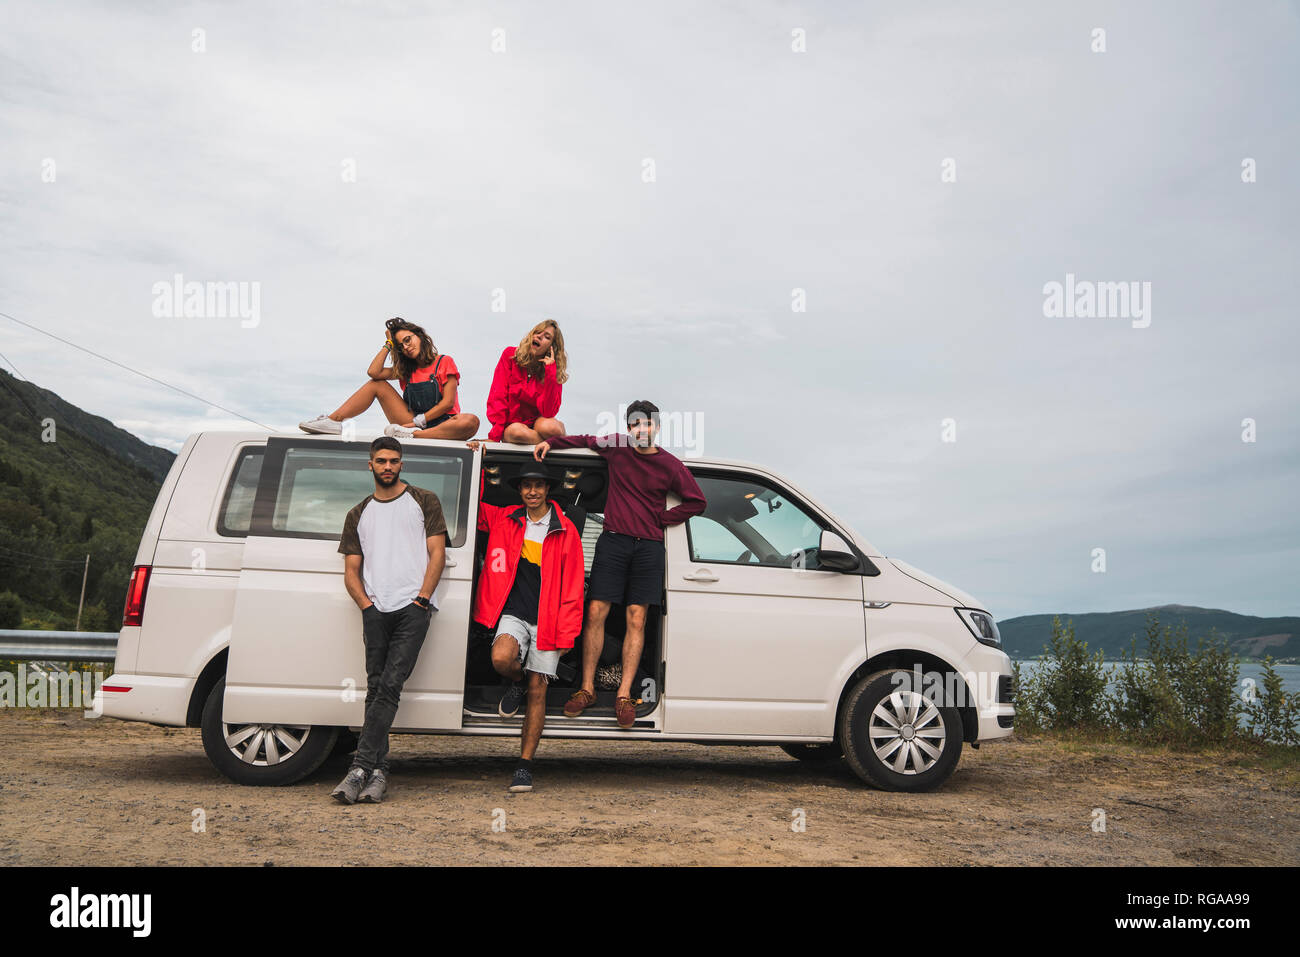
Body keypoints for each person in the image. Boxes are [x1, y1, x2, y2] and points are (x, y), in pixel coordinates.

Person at [535, 400, 706, 728]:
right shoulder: (616, 447)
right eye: (635, 424)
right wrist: (551, 443)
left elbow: (697, 501)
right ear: (628, 429)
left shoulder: (670, 465)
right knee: (596, 612)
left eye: (647, 424)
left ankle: (624, 694)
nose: (641, 430)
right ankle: (586, 689)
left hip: (649, 548)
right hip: (613, 541)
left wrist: (664, 518)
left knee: (636, 619)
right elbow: (583, 440)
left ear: (656, 427)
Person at [331, 436, 448, 804]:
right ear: (370, 465)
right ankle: (378, 772)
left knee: (391, 685)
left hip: (413, 609)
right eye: (380, 460)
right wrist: (366, 606)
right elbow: (351, 571)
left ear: (401, 464)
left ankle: (359, 768)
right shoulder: (357, 513)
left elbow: (437, 554)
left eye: (393, 461)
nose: (387, 466)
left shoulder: (424, 500)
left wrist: (421, 600)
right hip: (375, 610)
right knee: (376, 686)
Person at [468, 449, 585, 792]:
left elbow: (574, 587)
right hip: (513, 613)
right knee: (501, 657)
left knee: (539, 691)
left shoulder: (565, 530)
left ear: (548, 489)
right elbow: (468, 502)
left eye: (538, 486)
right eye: (527, 486)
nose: (532, 491)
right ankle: (515, 679)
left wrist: (567, 633)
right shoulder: (505, 518)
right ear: (519, 490)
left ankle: (524, 766)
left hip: (549, 620)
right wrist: (473, 459)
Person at [300, 318, 480, 440]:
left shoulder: (444, 361)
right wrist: (389, 344)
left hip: (441, 425)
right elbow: (374, 372)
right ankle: (334, 421)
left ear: (420, 336)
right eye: (401, 345)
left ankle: (415, 436)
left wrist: (416, 424)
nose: (407, 347)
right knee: (376, 384)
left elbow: (448, 403)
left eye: (408, 340)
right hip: (408, 424)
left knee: (471, 421)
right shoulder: (406, 370)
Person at [485, 320, 568, 444]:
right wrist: (495, 436)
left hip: (537, 424)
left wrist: (550, 372)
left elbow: (548, 412)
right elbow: (498, 397)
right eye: (537, 332)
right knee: (517, 432)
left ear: (552, 347)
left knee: (552, 428)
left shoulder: (552, 370)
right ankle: (558, 444)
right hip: (513, 426)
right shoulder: (510, 355)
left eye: (547, 337)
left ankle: (555, 442)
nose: (539, 336)